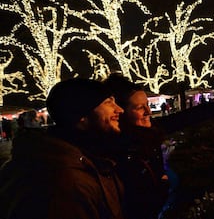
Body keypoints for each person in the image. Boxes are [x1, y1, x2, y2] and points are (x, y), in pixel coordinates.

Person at [102, 73, 214, 219]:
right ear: (121, 112)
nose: (148, 111)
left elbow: (183, 118)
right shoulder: (116, 151)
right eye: (140, 107)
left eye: (147, 104)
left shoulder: (149, 132)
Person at [0, 78, 125, 219]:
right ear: (81, 114)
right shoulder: (64, 179)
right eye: (108, 103)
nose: (120, 109)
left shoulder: (86, 159)